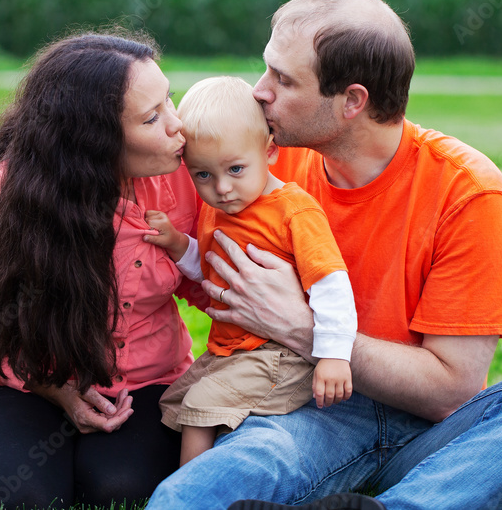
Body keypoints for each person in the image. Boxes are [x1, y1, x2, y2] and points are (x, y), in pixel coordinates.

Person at [145, 0, 502, 510]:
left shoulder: (467, 191)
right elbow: (205, 274)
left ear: (351, 101)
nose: (260, 91)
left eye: (283, 79)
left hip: (434, 431)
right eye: (266, 69)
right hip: (304, 409)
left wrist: (304, 327)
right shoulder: (256, 169)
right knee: (184, 498)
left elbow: (450, 389)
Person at [0, 32, 209, 508]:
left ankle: (81, 462)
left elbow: (206, 284)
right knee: (23, 499)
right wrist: (58, 392)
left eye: (169, 101)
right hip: (27, 383)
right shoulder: (5, 201)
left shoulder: (184, 178)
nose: (177, 126)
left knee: (121, 489)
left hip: (143, 381)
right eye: (151, 117)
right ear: (93, 140)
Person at [143, 76, 357, 465]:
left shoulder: (293, 210)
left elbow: (332, 285)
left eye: (236, 169)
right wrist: (178, 244)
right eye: (202, 175)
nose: (221, 188)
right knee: (174, 401)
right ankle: (231, 459)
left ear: (270, 152)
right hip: (232, 351)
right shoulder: (222, 208)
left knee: (200, 406)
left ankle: (190, 491)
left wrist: (333, 355)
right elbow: (213, 267)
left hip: (280, 355)